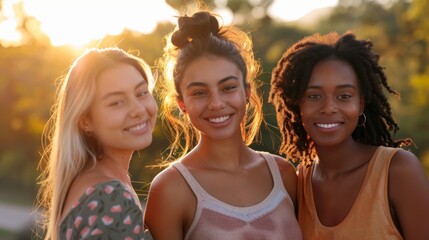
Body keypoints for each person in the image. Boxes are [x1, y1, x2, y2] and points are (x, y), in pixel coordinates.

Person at [143, 10, 302, 240]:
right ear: (182, 103)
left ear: (246, 92)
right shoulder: (170, 189)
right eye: (199, 92)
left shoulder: (284, 174)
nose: (216, 103)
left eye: (228, 87)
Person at [269, 31, 429, 239]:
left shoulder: (397, 170)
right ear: (297, 105)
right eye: (314, 96)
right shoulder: (299, 183)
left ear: (360, 104)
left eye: (344, 96)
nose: (329, 108)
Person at [36, 47, 158, 240]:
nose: (138, 109)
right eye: (117, 102)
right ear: (86, 121)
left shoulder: (96, 183)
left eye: (142, 93)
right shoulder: (110, 197)